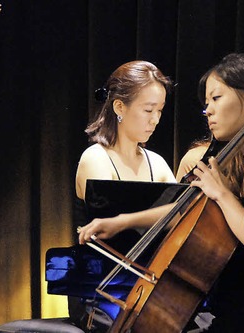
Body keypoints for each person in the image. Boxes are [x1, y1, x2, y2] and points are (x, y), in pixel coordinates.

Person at [79, 53, 244, 332]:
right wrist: (121, 222)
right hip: (228, 315)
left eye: (216, 98)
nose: (208, 110)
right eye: (206, 103)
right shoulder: (228, 160)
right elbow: (188, 209)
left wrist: (221, 194)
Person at [69, 60, 175, 331]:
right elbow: (114, 235)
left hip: (148, 288)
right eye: (148, 109)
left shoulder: (157, 163)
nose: (156, 119)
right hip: (101, 289)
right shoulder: (96, 158)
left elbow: (183, 213)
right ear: (119, 107)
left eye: (160, 110)